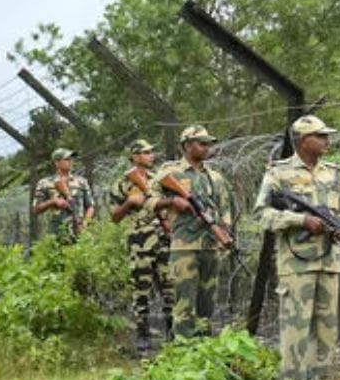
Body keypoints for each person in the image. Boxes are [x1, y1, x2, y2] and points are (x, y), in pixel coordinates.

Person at [253, 115, 340, 380]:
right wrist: (301, 220)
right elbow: (262, 215)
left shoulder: (333, 173)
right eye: (319, 136)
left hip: (329, 261)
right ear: (302, 141)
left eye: (325, 135)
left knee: (325, 330)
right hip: (296, 265)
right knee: (296, 331)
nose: (326, 140)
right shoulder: (279, 173)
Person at [150, 125, 232, 339]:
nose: (207, 147)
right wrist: (171, 201)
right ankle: (183, 353)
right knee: (184, 304)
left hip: (210, 246)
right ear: (187, 145)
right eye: (201, 143)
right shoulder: (170, 173)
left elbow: (225, 209)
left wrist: (225, 231)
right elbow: (148, 200)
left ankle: (204, 350)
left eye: (209, 143)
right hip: (185, 246)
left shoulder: (215, 177)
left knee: (207, 304)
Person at [110, 139, 175, 351]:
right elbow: (114, 216)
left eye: (151, 152)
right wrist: (129, 202)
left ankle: (172, 332)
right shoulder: (122, 183)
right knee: (141, 289)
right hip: (140, 240)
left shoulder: (160, 179)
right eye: (146, 152)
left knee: (169, 286)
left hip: (164, 238)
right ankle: (143, 332)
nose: (151, 155)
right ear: (135, 156)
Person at [33, 148, 94, 241]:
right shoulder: (44, 183)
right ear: (56, 163)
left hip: (78, 231)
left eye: (71, 159)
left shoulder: (82, 181)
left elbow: (90, 206)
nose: (70, 162)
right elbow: (36, 209)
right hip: (55, 233)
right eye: (66, 159)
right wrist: (53, 201)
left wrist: (85, 223)